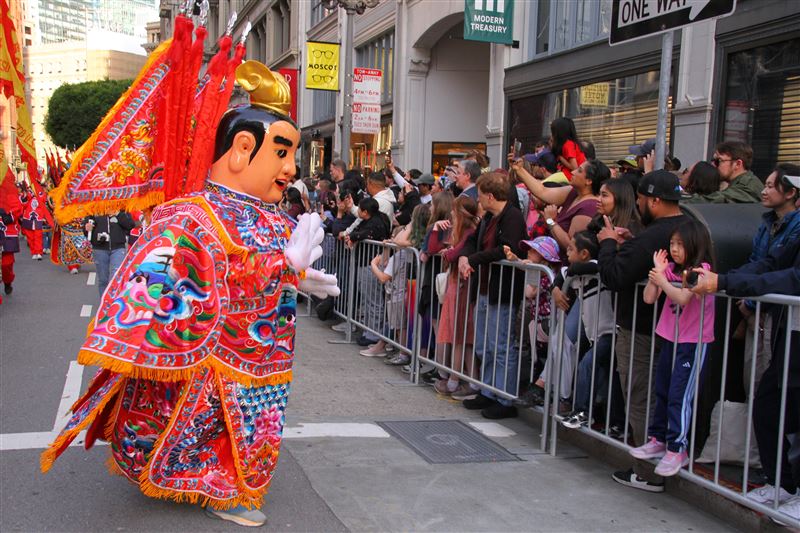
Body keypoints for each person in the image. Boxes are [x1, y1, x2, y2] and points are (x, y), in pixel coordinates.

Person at [42, 59, 339, 527]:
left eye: (292, 154)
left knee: (250, 423)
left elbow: (262, 265)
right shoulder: (191, 213)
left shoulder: (270, 214)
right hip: (217, 357)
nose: (291, 167)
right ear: (242, 149)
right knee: (210, 425)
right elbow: (212, 274)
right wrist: (284, 265)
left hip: (267, 353)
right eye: (282, 152)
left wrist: (297, 278)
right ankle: (216, 488)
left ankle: (218, 482)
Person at [691, 217, 800, 522]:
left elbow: (792, 279)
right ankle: (782, 484)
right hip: (791, 334)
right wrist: (720, 278)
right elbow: (770, 263)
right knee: (768, 404)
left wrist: (726, 283)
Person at [596, 169, 690, 492]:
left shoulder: (656, 235)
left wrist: (608, 245)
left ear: (655, 200)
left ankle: (646, 471)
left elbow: (616, 275)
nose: (637, 204)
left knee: (641, 396)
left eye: (641, 199)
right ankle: (654, 466)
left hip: (643, 330)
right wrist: (629, 244)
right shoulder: (689, 227)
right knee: (658, 396)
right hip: (676, 332)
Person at [630, 220, 715, 477]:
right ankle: (659, 439)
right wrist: (657, 275)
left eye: (680, 244)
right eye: (672, 244)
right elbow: (648, 298)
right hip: (670, 337)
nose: (675, 249)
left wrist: (663, 281)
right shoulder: (671, 270)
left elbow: (682, 297)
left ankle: (678, 448)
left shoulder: (702, 271)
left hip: (692, 342)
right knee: (663, 389)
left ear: (694, 244)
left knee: (680, 395)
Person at [458, 171, 527, 419]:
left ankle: (504, 398)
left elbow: (504, 249)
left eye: (480, 195)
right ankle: (487, 391)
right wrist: (465, 256)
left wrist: (473, 258)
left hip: (503, 290)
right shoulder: (488, 217)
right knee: (484, 345)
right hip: (486, 288)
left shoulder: (513, 218)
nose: (478, 200)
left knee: (501, 346)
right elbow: (472, 240)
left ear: (489, 196)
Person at [739, 163, 800, 390]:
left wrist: (750, 301)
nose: (764, 191)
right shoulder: (766, 223)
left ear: (791, 192)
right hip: (757, 308)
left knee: (768, 378)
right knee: (751, 376)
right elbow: (757, 261)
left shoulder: (796, 226)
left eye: (771, 186)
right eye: (764, 185)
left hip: (777, 312)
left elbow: (779, 269)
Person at [556, 231, 620, 432]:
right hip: (595, 334)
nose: (567, 251)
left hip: (610, 332)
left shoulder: (596, 269)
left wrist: (574, 270)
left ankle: (583, 412)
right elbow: (561, 275)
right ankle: (617, 422)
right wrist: (556, 289)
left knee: (586, 365)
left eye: (571, 248)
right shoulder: (575, 273)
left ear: (584, 254)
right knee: (610, 379)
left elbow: (594, 266)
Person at [512, 158, 610, 260]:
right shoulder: (573, 192)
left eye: (579, 170)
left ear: (589, 181)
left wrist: (550, 221)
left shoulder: (590, 206)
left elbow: (571, 245)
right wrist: (519, 169)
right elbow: (542, 191)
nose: (573, 172)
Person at [433, 196, 481, 399]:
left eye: (454, 211)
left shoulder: (469, 232)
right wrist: (436, 229)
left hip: (463, 286)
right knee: (460, 335)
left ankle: (455, 379)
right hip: (456, 285)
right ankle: (471, 379)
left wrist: (450, 253)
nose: (451, 214)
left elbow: (451, 255)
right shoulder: (459, 232)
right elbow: (433, 248)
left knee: (460, 334)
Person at [683, 142, 762, 203]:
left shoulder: (747, 187)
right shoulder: (741, 183)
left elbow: (717, 199)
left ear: (738, 164)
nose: (713, 165)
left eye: (719, 161)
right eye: (713, 160)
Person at [84, 212, 136, 296]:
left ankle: (114, 304)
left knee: (116, 278)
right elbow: (86, 228)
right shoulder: (94, 209)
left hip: (118, 248)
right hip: (99, 248)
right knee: (103, 280)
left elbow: (130, 225)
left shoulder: (122, 208)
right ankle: (104, 305)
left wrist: (117, 213)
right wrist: (87, 228)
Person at [550, 117, 585, 181]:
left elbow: (575, 167)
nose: (552, 135)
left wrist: (561, 158)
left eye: (553, 132)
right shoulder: (570, 144)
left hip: (569, 176)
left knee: (543, 184)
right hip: (567, 176)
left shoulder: (568, 145)